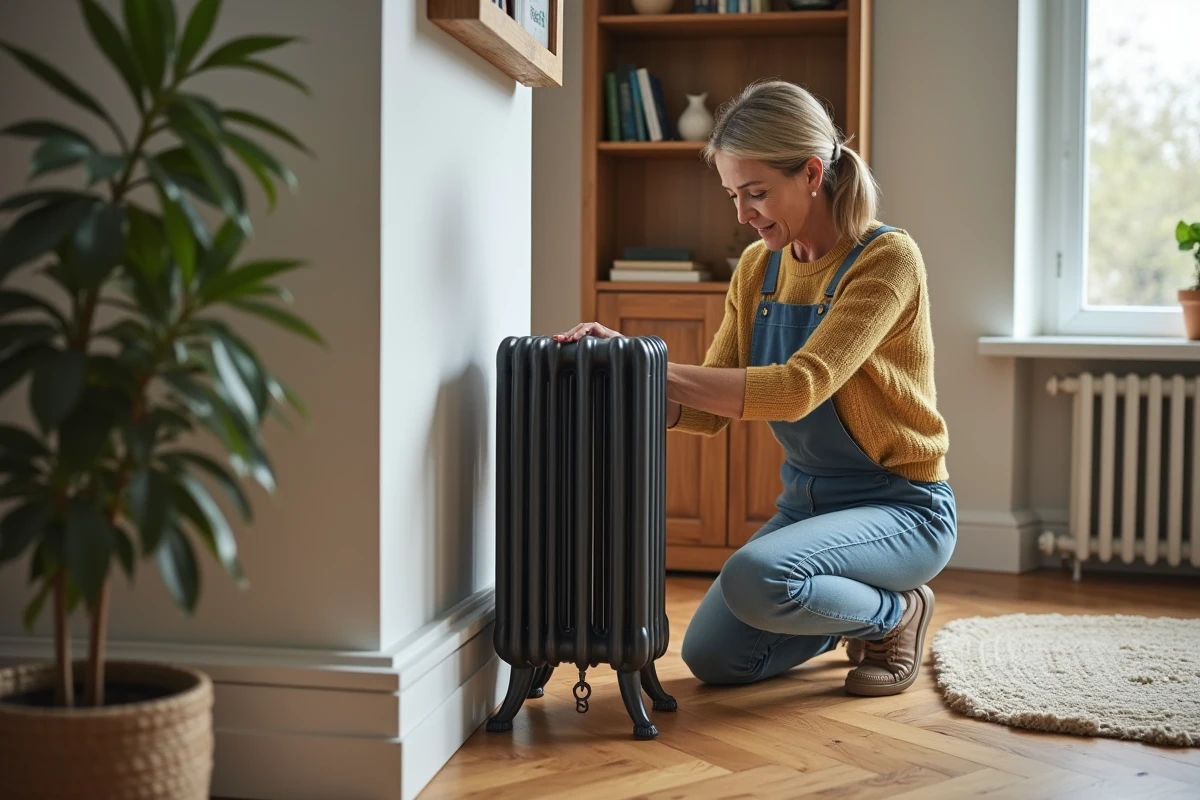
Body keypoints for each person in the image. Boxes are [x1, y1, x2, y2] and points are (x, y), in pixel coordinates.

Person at [554, 79, 955, 697]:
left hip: (900, 507)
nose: (743, 214)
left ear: (813, 172)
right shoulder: (757, 267)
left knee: (755, 577)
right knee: (715, 658)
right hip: (805, 506)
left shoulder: (886, 259)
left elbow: (799, 388)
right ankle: (847, 607)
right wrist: (619, 380)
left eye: (757, 193)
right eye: (733, 195)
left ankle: (896, 613)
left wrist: (644, 360)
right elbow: (709, 413)